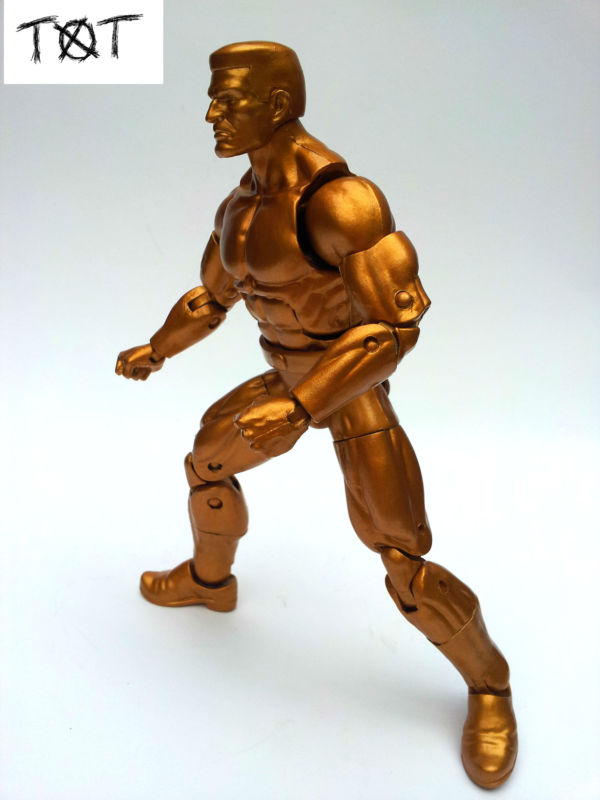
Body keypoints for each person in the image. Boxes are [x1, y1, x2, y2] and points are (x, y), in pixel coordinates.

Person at [115, 41, 517, 789]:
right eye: (212, 98)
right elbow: (211, 299)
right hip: (285, 379)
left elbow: (396, 328)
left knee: (402, 556)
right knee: (206, 463)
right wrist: (156, 349)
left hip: (345, 389)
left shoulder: (342, 202)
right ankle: (210, 582)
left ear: (276, 106)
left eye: (228, 100)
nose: (211, 114)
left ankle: (490, 684)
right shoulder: (239, 208)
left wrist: (304, 407)